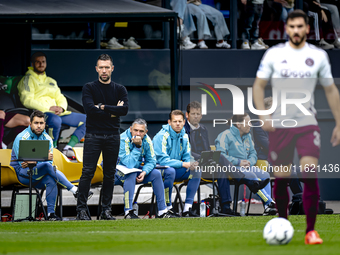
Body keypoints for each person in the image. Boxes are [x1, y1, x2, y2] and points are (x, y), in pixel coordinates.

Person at [252, 10, 340, 244]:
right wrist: (263, 115)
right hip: (280, 126)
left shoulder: (318, 56)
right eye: (292, 26)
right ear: (287, 29)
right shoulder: (273, 54)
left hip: (306, 124)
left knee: (309, 174)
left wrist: (339, 122)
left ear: (307, 29)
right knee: (281, 179)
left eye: (301, 26)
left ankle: (311, 230)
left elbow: (331, 90)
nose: (297, 30)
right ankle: (283, 222)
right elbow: (258, 87)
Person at [184, 101, 270, 215]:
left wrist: (209, 156)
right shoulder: (183, 130)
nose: (196, 116)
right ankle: (248, 182)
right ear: (187, 115)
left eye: (198, 114)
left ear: (201, 115)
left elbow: (206, 149)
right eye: (193, 113)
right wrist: (205, 157)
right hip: (193, 163)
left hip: (207, 162)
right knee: (220, 158)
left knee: (221, 168)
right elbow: (187, 151)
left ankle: (226, 207)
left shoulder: (203, 129)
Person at [76, 54, 129, 221]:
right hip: (93, 135)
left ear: (112, 68)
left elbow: (124, 110)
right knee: (87, 172)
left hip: (113, 135)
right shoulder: (89, 88)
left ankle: (106, 210)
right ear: (96, 69)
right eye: (101, 67)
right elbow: (90, 110)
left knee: (109, 174)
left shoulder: (120, 89)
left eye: (107, 67)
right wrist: (113, 111)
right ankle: (81, 210)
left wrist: (103, 107)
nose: (104, 70)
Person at [10, 110, 85, 221]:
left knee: (51, 178)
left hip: (38, 173)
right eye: (36, 123)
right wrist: (41, 159)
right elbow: (24, 164)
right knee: (46, 166)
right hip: (21, 173)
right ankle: (75, 190)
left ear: (45, 124)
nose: (39, 126)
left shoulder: (48, 138)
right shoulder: (21, 137)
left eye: (41, 123)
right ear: (30, 123)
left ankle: (51, 214)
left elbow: (48, 164)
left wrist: (35, 161)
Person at [17, 52, 86, 158]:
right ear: (32, 63)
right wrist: (47, 108)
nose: (41, 64)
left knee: (89, 119)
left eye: (43, 62)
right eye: (38, 62)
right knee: (55, 120)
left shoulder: (51, 81)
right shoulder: (28, 79)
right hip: (41, 113)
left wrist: (61, 108)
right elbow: (26, 100)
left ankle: (68, 148)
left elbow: (60, 97)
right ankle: (51, 150)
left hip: (58, 113)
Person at [114, 118, 176, 219]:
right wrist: (138, 147)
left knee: (156, 174)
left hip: (134, 169)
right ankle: (128, 212)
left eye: (141, 131)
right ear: (130, 129)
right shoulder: (123, 139)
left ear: (146, 132)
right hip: (115, 171)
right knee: (131, 173)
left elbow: (151, 161)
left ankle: (162, 211)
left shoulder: (147, 140)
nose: (138, 133)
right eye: (136, 130)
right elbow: (129, 164)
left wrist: (144, 172)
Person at [215, 114, 277, 215]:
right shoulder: (225, 135)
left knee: (265, 175)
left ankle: (267, 208)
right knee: (251, 175)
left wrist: (249, 162)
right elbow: (220, 155)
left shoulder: (248, 136)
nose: (250, 125)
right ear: (239, 124)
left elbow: (253, 153)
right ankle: (269, 202)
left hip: (246, 167)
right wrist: (239, 162)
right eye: (248, 122)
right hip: (231, 168)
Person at [153, 110, 200, 217]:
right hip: (158, 170)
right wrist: (183, 164)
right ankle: (168, 207)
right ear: (169, 122)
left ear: (184, 122)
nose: (178, 124)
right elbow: (162, 161)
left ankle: (187, 209)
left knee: (196, 171)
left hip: (175, 169)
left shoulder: (184, 135)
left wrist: (191, 163)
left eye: (180, 121)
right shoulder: (162, 136)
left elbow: (187, 156)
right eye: (175, 121)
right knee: (170, 171)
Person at [252, 97, 303, 195]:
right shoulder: (258, 126)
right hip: (267, 164)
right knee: (292, 173)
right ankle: (300, 201)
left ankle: (315, 201)